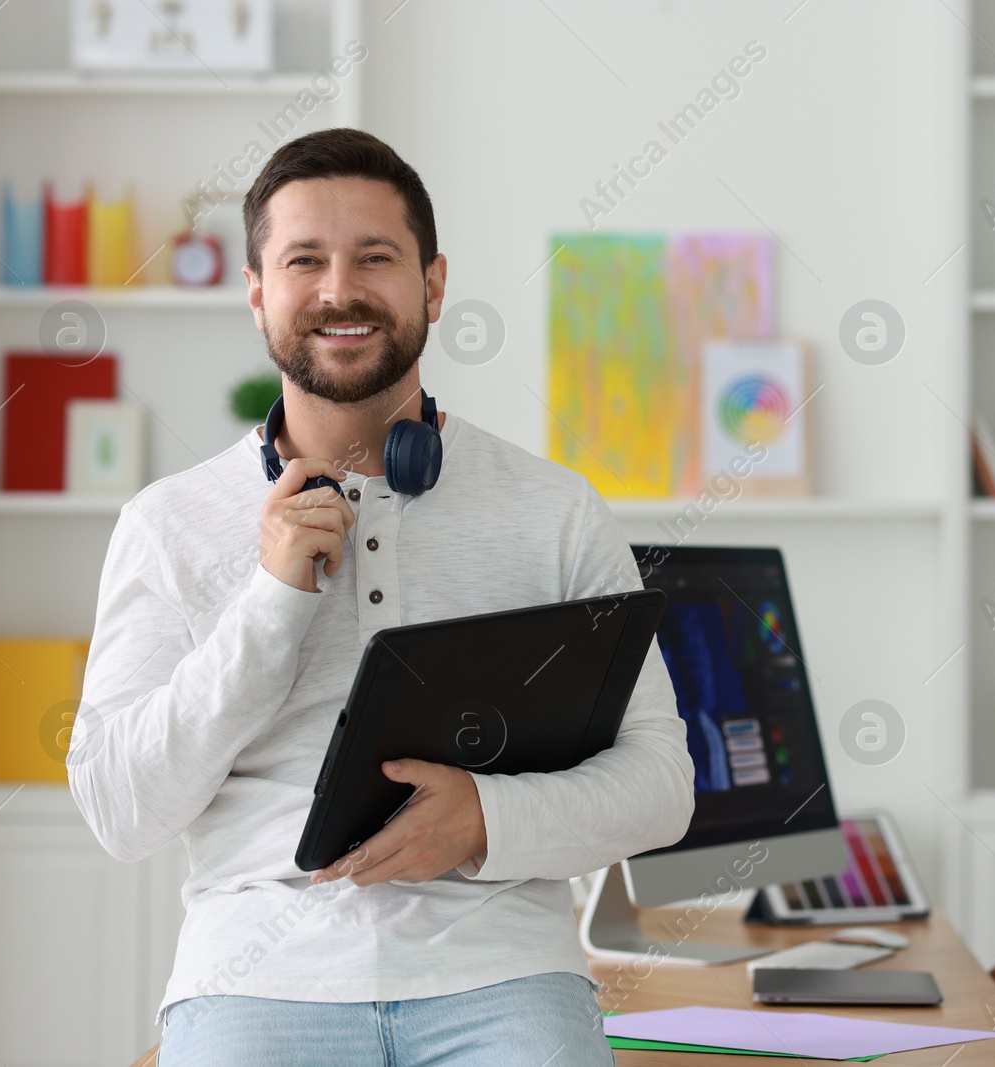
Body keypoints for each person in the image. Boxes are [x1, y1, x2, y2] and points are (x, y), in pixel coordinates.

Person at [68, 127, 696, 1066]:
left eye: (375, 258)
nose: (338, 291)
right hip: (257, 981)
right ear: (256, 294)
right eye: (304, 261)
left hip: (504, 977)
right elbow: (121, 811)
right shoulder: (168, 523)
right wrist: (271, 600)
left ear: (432, 284)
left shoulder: (556, 511)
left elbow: (663, 786)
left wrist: (487, 819)